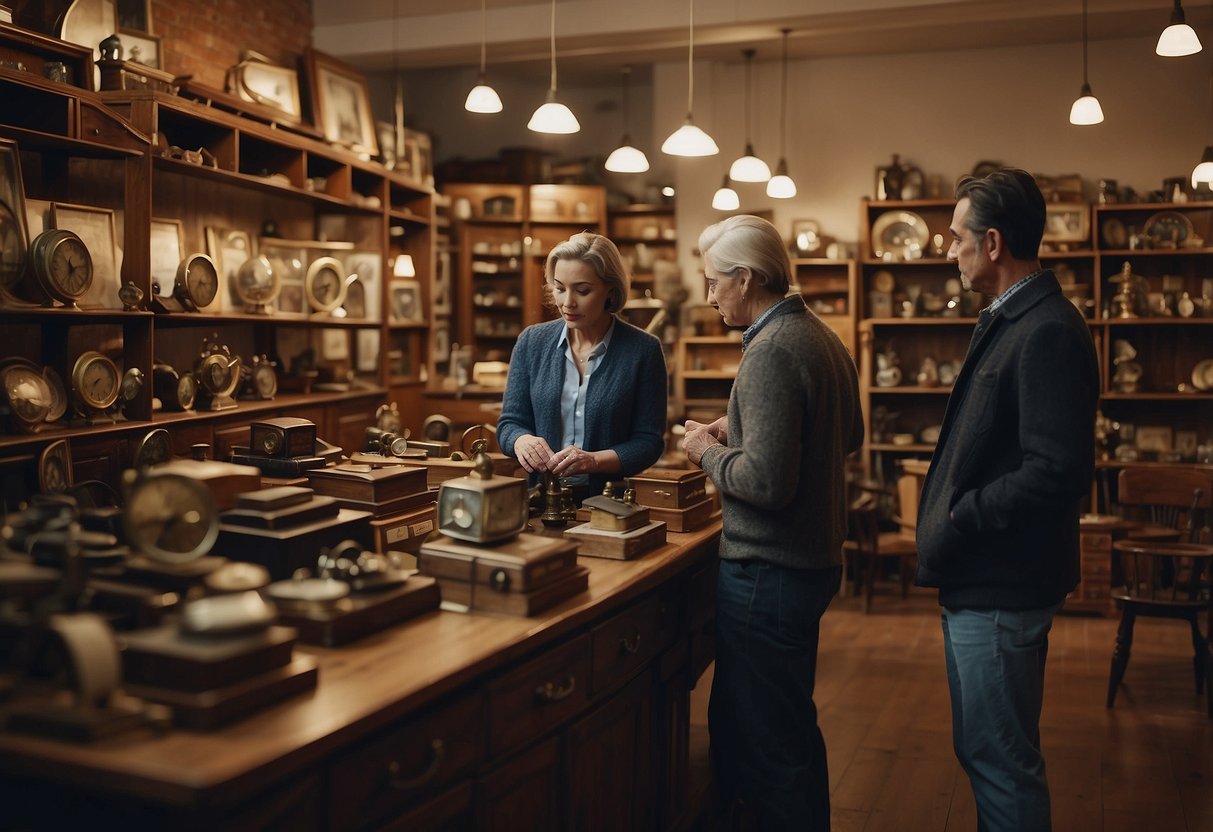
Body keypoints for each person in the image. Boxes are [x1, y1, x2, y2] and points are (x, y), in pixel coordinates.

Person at [915, 168, 1099, 832]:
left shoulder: (1044, 328)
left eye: (955, 236)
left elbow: (1056, 469)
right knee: (985, 752)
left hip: (1000, 583)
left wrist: (964, 514)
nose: (946, 250)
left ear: (991, 243)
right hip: (983, 580)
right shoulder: (1012, 318)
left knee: (1000, 762)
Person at [683, 215, 863, 830]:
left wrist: (705, 452)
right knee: (776, 721)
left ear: (747, 278)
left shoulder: (769, 352)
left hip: (768, 569)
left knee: (770, 741)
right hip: (807, 564)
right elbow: (847, 432)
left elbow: (765, 484)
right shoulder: (821, 336)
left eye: (714, 282)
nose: (710, 296)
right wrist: (750, 430)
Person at [496, 232, 667, 499]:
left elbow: (649, 442)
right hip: (539, 501)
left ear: (610, 291)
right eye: (560, 288)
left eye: (582, 290)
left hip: (609, 505)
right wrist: (521, 441)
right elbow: (509, 424)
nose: (567, 302)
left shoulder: (643, 350)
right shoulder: (531, 342)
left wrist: (594, 461)